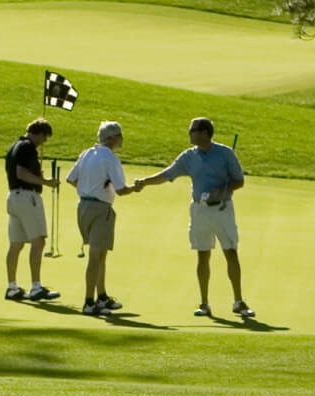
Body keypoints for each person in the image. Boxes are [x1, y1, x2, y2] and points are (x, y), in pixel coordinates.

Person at [136, 116, 255, 319]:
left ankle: (238, 301)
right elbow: (168, 174)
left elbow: (239, 180)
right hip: (199, 210)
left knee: (231, 252)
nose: (189, 134)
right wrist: (144, 182)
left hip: (222, 209)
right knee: (202, 254)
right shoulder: (189, 156)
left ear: (204, 133)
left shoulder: (225, 153)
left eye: (193, 130)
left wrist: (222, 189)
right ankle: (204, 303)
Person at [66, 120, 141, 315]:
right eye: (120, 136)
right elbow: (121, 190)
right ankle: (89, 302)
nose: (122, 139)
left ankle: (102, 297)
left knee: (100, 255)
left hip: (83, 206)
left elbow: (71, 179)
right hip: (100, 209)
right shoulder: (110, 159)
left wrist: (89, 187)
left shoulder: (87, 153)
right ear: (113, 138)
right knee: (95, 256)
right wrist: (136, 188)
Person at [4, 117, 60, 302]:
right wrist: (46, 182)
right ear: (40, 133)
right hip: (27, 198)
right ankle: (36, 287)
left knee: (16, 243)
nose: (43, 143)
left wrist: (38, 175)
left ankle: (12, 287)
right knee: (38, 241)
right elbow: (21, 173)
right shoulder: (28, 146)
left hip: (13, 197)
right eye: (44, 138)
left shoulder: (14, 146)